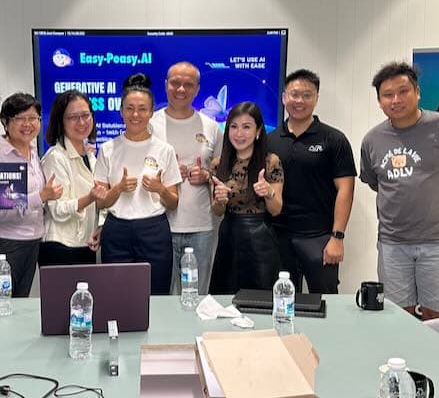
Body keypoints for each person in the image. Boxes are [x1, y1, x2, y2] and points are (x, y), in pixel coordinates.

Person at [360, 61, 439, 320]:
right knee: (396, 315)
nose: (396, 100)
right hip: (393, 242)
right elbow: (375, 182)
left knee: (435, 316)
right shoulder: (372, 140)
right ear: (379, 101)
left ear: (417, 92)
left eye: (403, 91)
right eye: (387, 95)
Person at [267, 69, 356, 294]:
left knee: (326, 300)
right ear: (284, 97)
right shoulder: (269, 140)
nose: (300, 101)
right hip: (278, 236)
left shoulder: (334, 139)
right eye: (294, 94)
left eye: (307, 95)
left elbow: (346, 190)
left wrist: (337, 237)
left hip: (320, 237)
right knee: (281, 300)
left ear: (316, 98)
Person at [94, 73, 182, 294]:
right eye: (130, 108)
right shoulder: (107, 149)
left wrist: (160, 189)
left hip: (154, 230)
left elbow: (173, 203)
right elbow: (101, 203)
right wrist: (119, 188)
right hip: (117, 230)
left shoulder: (165, 150)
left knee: (157, 293)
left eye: (142, 109)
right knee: (115, 294)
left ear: (151, 112)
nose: (135, 115)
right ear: (121, 111)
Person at [0, 93, 62, 298]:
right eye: (20, 118)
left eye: (33, 118)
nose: (28, 124)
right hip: (4, 243)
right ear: (5, 122)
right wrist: (40, 196)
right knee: (1, 305)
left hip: (32, 241)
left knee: (20, 304)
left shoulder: (33, 152)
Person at [150, 62, 222, 295]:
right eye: (175, 83)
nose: (181, 89)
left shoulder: (212, 127)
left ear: (197, 89)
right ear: (166, 85)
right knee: (163, 296)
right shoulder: (149, 124)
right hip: (159, 224)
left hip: (201, 225)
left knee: (197, 295)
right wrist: (167, 174)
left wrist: (206, 175)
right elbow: (138, 168)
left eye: (188, 84)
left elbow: (222, 174)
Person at [209, 101, 283, 294]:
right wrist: (220, 200)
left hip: (260, 239)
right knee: (225, 297)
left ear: (258, 131)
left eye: (246, 127)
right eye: (234, 126)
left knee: (260, 299)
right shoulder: (218, 164)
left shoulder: (271, 161)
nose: (239, 133)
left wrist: (269, 192)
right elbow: (217, 211)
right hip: (229, 237)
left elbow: (276, 209)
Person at [40, 90, 107, 266]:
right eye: (73, 117)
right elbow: (57, 210)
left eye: (85, 115)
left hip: (85, 244)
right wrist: (89, 198)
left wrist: (100, 225)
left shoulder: (90, 155)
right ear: (60, 121)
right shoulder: (56, 157)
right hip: (61, 247)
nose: (81, 122)